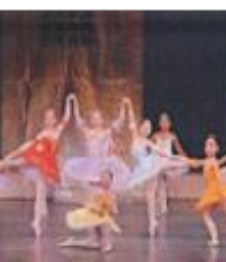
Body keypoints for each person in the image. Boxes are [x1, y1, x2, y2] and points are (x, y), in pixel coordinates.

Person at [3, 95, 73, 236]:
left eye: (52, 117)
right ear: (45, 120)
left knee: (40, 193)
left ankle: (36, 220)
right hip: (38, 159)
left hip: (47, 164)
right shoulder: (42, 134)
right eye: (47, 117)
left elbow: (66, 118)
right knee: (16, 163)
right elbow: (29, 146)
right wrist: (13, 154)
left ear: (55, 119)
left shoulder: (57, 131)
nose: (49, 119)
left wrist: (68, 101)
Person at [124, 100, 189, 237]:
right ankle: (153, 219)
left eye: (149, 127)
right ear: (140, 127)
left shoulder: (149, 143)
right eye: (145, 126)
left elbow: (162, 153)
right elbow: (131, 121)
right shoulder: (135, 136)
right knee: (149, 195)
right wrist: (129, 105)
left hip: (151, 167)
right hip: (143, 169)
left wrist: (177, 158)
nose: (147, 129)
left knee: (151, 193)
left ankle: (152, 221)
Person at [63, 96, 130, 192]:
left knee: (106, 183)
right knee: (90, 186)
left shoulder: (106, 132)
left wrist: (124, 106)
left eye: (98, 118)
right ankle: (95, 195)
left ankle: (104, 195)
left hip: (103, 163)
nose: (96, 120)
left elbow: (120, 121)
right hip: (90, 163)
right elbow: (78, 119)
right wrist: (74, 102)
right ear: (91, 120)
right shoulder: (87, 131)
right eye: (94, 118)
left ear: (102, 120)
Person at [58, 170, 120, 252]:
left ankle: (105, 242)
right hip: (94, 217)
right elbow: (90, 205)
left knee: (105, 223)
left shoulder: (112, 193)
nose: (105, 180)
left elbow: (114, 210)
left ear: (111, 180)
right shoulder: (96, 190)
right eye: (103, 177)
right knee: (93, 242)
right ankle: (74, 242)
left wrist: (110, 209)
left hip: (104, 218)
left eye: (107, 178)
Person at [151, 112, 188, 216]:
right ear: (159, 123)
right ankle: (162, 207)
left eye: (166, 121)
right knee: (160, 184)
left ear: (170, 124)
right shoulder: (155, 136)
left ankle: (162, 206)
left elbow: (179, 149)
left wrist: (186, 158)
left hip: (168, 161)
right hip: (158, 162)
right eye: (162, 121)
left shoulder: (172, 136)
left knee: (182, 166)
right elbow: (149, 148)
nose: (164, 124)